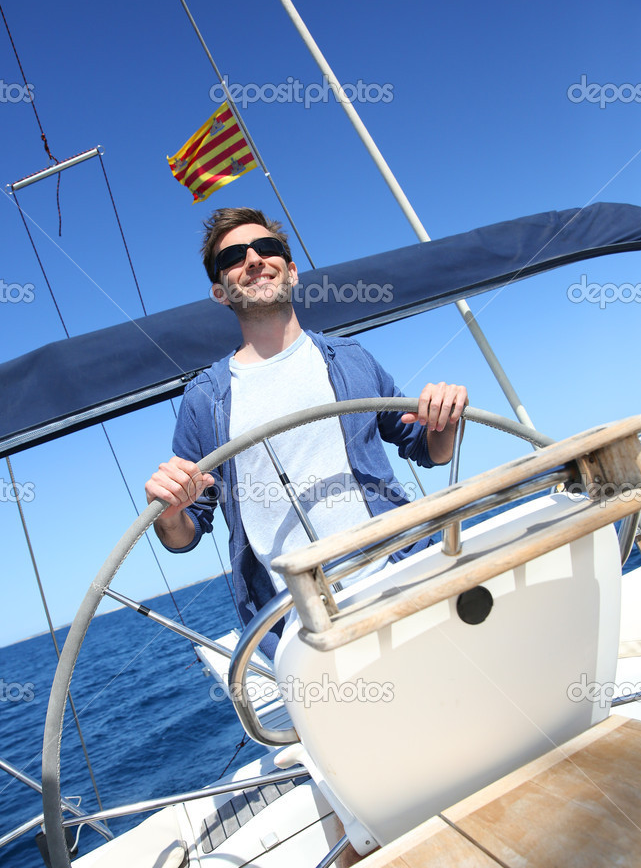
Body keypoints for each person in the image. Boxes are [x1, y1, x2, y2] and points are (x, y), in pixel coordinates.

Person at [145, 207, 467, 656]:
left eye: (269, 248)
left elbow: (427, 449)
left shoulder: (352, 359)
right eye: (235, 256)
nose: (255, 259)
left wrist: (444, 419)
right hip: (304, 630)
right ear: (220, 291)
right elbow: (186, 533)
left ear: (291, 271)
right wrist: (168, 510)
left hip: (406, 577)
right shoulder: (204, 401)